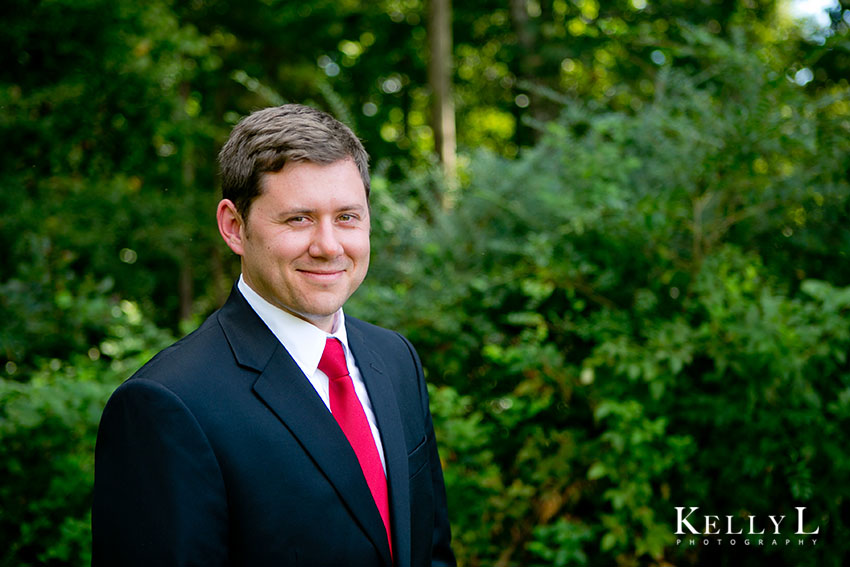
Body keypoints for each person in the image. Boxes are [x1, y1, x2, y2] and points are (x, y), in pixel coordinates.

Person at [92, 104, 456, 567]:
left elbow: (431, 551)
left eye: (347, 217)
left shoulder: (396, 359)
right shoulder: (166, 404)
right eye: (298, 219)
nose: (328, 246)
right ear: (234, 227)